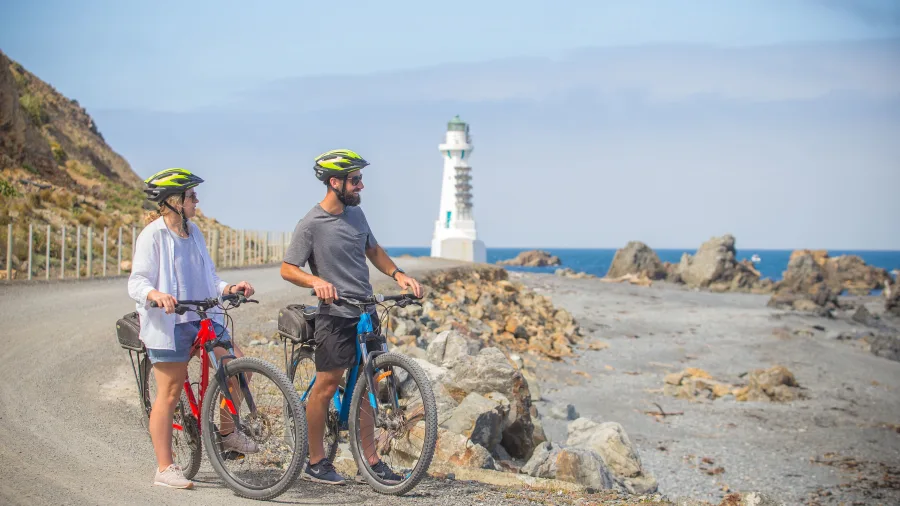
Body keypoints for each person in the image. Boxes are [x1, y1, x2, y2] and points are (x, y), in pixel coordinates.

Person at [280, 149, 424, 485]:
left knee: (369, 384)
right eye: (355, 179)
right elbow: (288, 268)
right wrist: (316, 281)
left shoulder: (357, 216)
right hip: (335, 315)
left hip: (365, 311)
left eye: (360, 179)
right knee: (327, 385)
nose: (361, 185)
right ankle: (316, 461)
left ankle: (370, 461)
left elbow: (372, 249)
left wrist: (398, 274)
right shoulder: (311, 223)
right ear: (334, 182)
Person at [127, 168, 258, 489]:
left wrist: (230, 288)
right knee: (169, 394)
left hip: (203, 317)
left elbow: (210, 278)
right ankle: (164, 468)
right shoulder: (153, 235)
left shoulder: (194, 232)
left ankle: (227, 433)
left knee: (239, 370)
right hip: (169, 324)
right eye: (190, 196)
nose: (196, 200)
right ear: (173, 202)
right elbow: (137, 281)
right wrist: (155, 295)